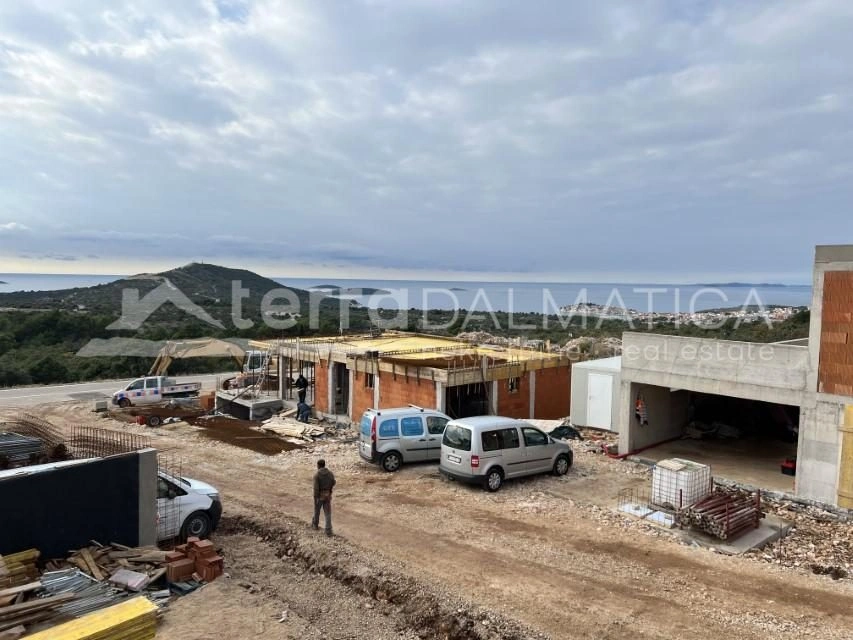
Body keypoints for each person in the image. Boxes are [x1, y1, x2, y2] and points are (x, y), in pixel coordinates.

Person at [312, 459, 336, 536]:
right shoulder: (330, 473)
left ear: (318, 465)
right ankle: (328, 531)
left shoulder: (317, 475)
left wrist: (315, 497)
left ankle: (315, 525)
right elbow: (333, 482)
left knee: (317, 511)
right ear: (324, 465)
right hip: (328, 495)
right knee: (327, 513)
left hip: (320, 496)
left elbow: (316, 488)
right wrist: (329, 489)